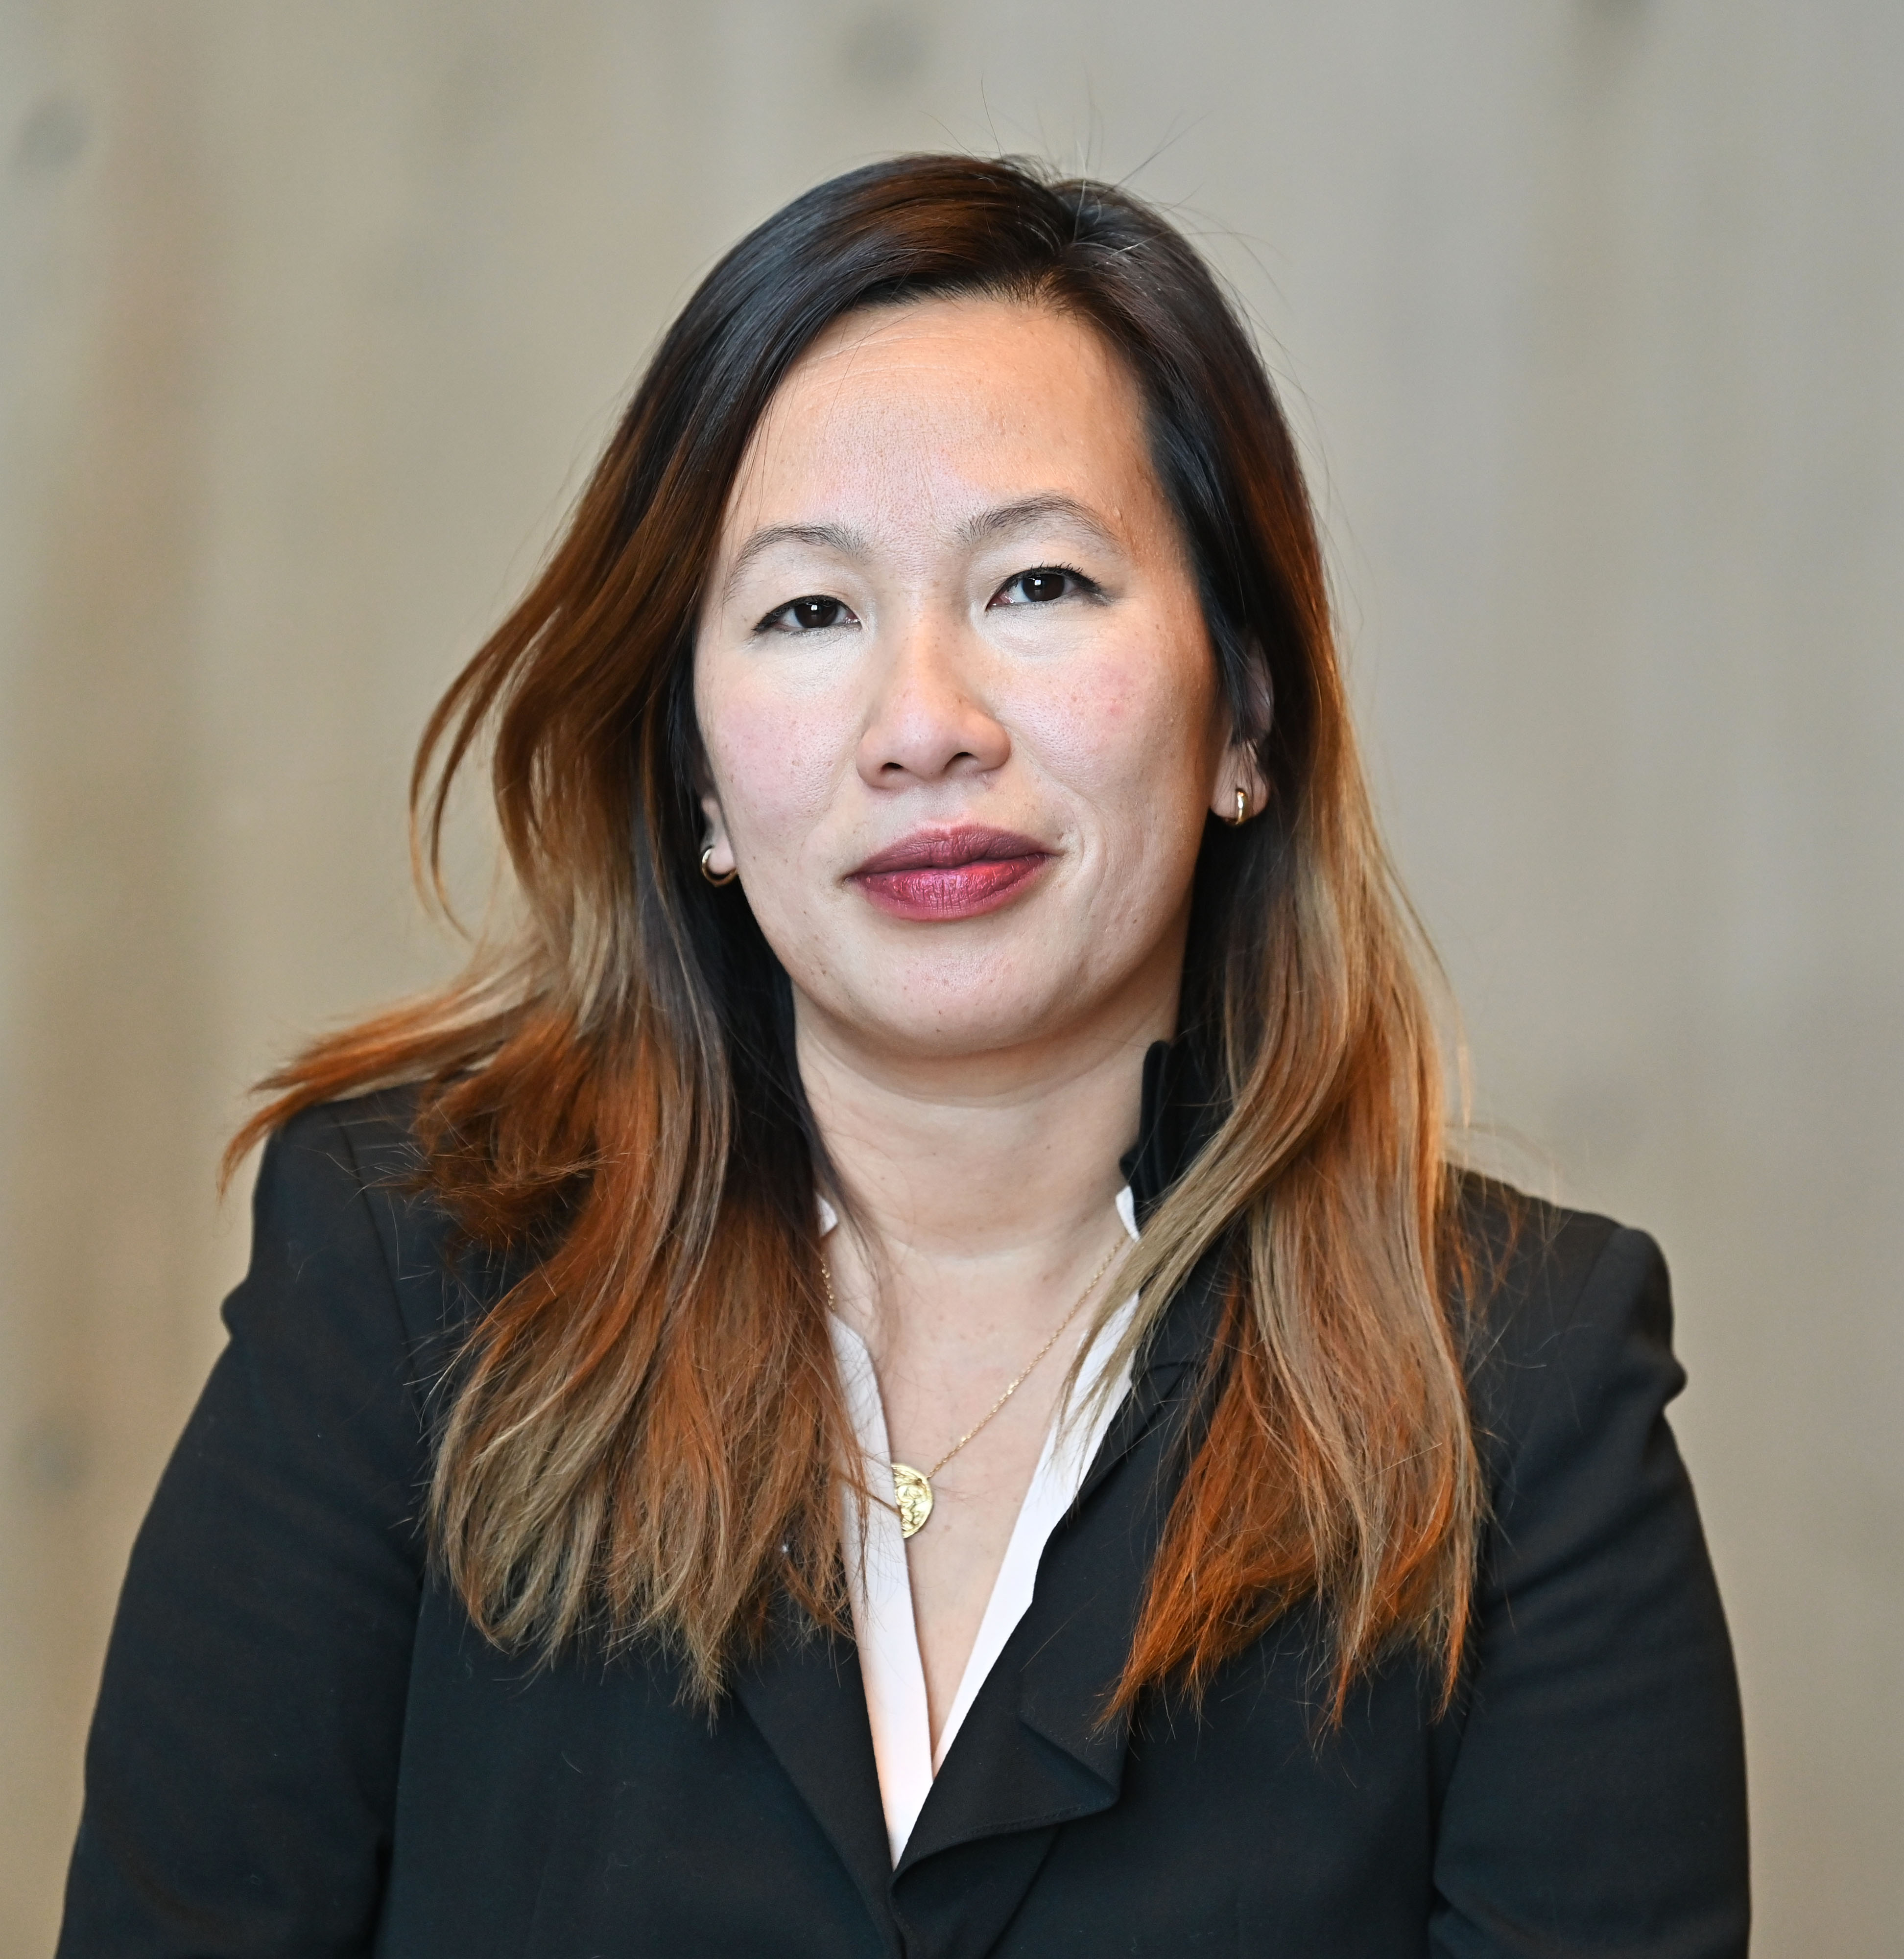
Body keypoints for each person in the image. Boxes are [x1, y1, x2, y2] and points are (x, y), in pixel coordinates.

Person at [58, 154, 1748, 1958]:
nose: (925, 726)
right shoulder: (406, 1284)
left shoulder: (1521, 1391)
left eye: (1036, 584)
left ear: (1244, 707)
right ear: (700, 782)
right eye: (809, 612)